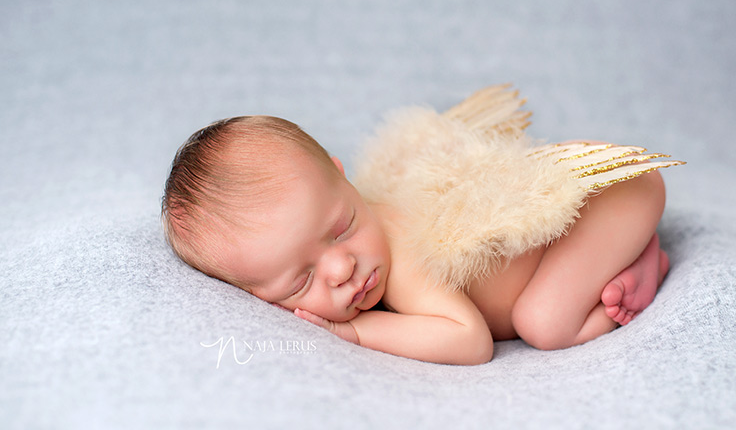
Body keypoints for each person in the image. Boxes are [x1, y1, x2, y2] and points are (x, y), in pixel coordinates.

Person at [162, 85, 682, 365]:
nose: (343, 267)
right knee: (544, 308)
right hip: (592, 217)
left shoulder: (402, 249)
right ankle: (626, 257)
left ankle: (643, 258)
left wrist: (358, 332)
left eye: (342, 227)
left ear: (344, 179)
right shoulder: (354, 251)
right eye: (301, 281)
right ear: (257, 298)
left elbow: (469, 341)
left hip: (614, 194)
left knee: (545, 323)